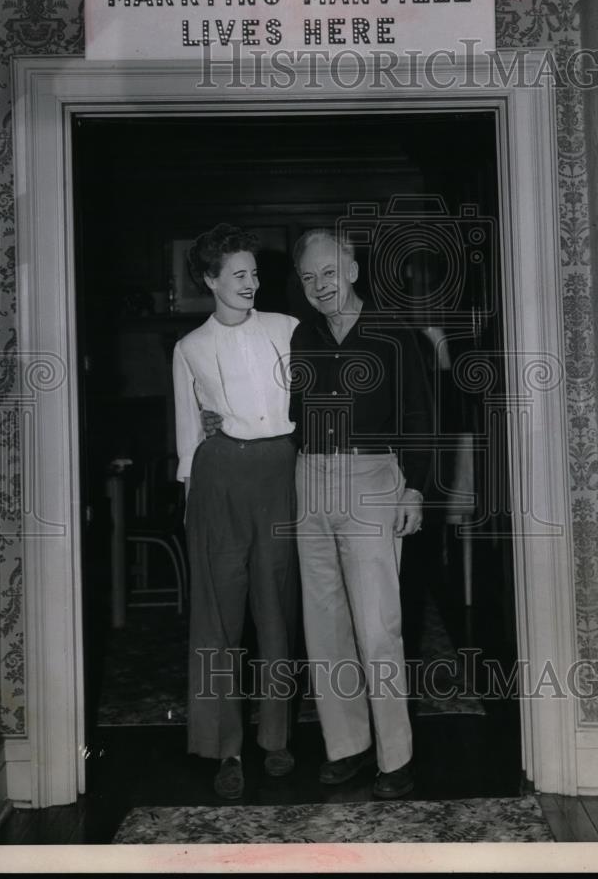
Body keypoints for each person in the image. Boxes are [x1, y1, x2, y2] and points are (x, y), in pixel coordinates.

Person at [289, 228, 433, 799]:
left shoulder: (397, 336)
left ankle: (395, 758)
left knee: (379, 627)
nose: (319, 286)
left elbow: (421, 419)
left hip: (373, 479)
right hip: (310, 479)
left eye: (328, 272)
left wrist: (414, 490)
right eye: (307, 278)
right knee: (324, 625)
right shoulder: (302, 337)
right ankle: (346, 746)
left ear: (351, 269)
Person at [172, 223, 299, 800]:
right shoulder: (190, 348)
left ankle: (275, 738)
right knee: (218, 619)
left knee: (276, 606)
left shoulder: (288, 329)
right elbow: (187, 435)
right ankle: (226, 748)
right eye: (239, 275)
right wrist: (191, 496)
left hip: (279, 472)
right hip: (218, 480)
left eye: (254, 273)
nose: (251, 283)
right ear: (210, 280)